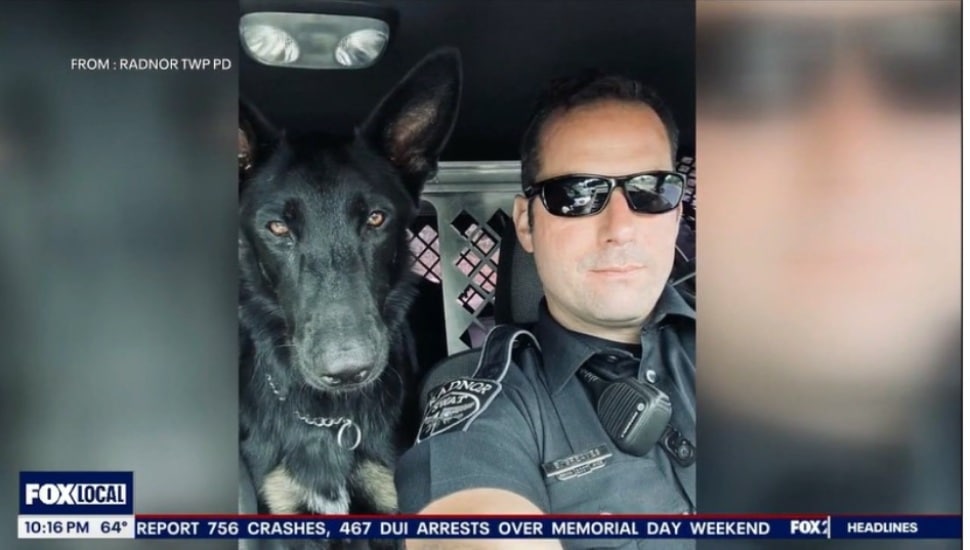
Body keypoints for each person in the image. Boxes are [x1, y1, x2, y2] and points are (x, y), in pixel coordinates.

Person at [394, 72, 696, 550]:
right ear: (526, 224)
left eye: (650, 190)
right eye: (577, 195)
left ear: (677, 213)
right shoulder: (490, 405)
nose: (620, 228)